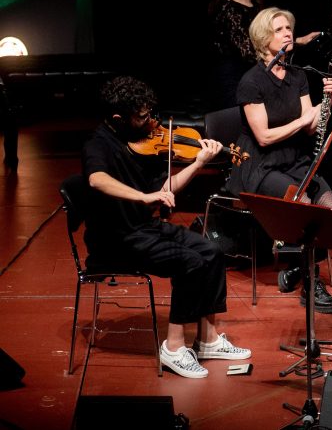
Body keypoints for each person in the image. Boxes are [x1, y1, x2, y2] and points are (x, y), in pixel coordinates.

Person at [82, 76, 251, 379]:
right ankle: (173, 349)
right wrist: (144, 196)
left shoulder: (139, 144)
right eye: (142, 117)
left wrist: (198, 163)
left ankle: (208, 340)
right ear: (119, 119)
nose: (152, 123)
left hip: (144, 228)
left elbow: (165, 187)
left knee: (211, 251)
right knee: (188, 262)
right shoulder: (99, 145)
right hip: (116, 238)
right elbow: (97, 179)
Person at [225, 6, 332, 314]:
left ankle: (296, 270)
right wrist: (303, 120)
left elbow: (313, 126)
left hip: (294, 160)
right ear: (264, 39)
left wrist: (328, 101)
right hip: (260, 165)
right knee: (303, 207)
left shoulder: (299, 76)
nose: (288, 33)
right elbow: (263, 137)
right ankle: (310, 282)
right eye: (279, 30)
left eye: (288, 28)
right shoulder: (252, 81)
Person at [208, 0, 320, 110]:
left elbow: (262, 41)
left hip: (254, 81)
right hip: (235, 91)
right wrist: (293, 45)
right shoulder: (228, 11)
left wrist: (298, 41)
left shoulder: (253, 5)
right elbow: (254, 54)